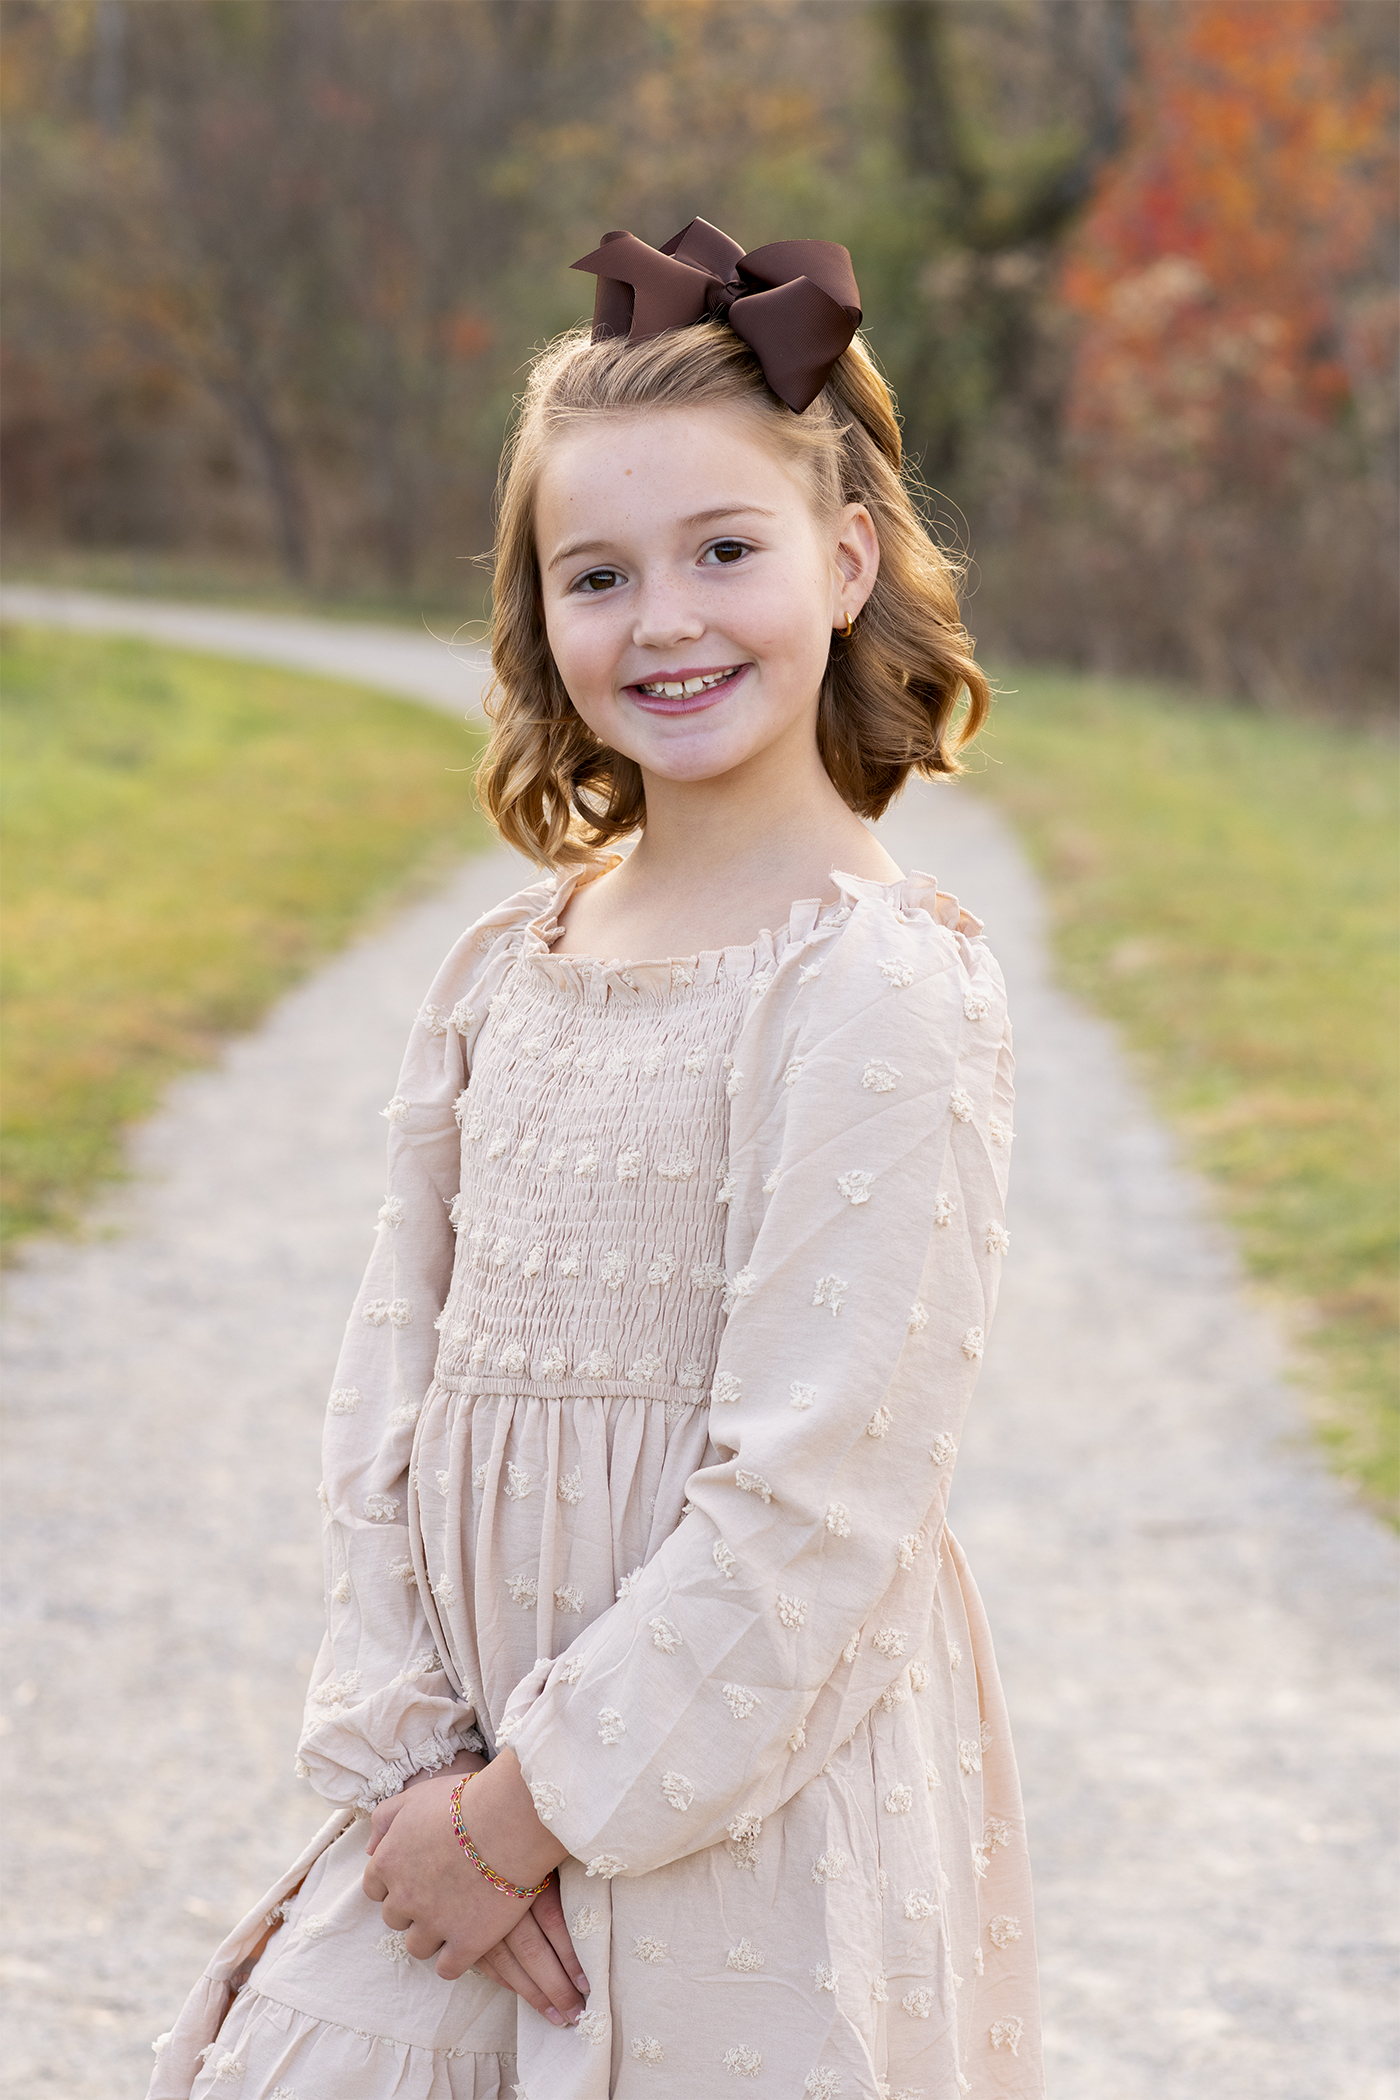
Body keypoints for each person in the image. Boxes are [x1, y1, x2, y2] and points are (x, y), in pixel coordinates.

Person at [151, 217, 1042, 2100]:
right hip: (447, 1782)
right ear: (539, 615)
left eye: (726, 551)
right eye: (599, 575)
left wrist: (529, 1820)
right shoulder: (507, 968)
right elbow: (386, 1394)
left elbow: (817, 1502)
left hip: (735, 1794)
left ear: (846, 560)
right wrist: (416, 1774)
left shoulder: (876, 990)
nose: (665, 621)